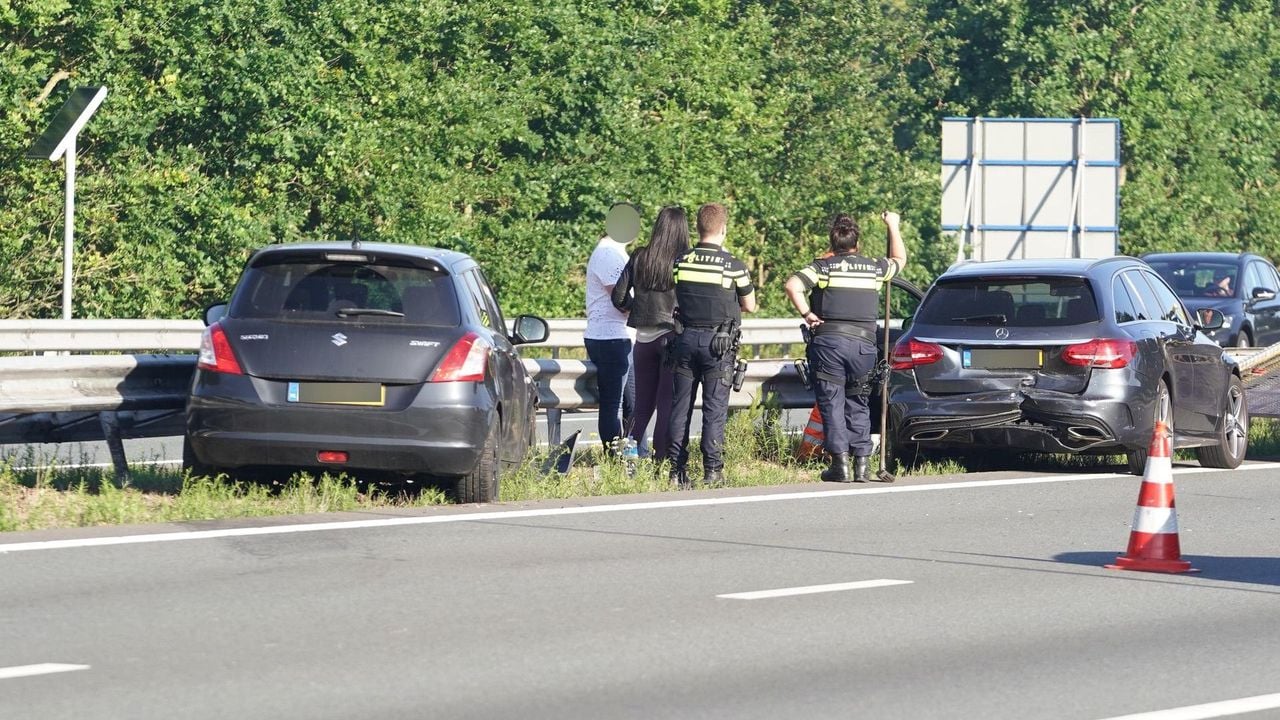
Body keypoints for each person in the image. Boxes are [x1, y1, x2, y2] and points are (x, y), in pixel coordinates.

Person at [784, 211, 906, 482]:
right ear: (857, 244)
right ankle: (862, 463)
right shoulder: (874, 268)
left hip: (829, 344)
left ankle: (841, 465)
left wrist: (808, 314)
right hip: (863, 346)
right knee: (858, 400)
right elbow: (900, 261)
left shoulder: (823, 267)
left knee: (832, 402)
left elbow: (792, 285)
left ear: (832, 244)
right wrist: (893, 225)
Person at [666, 203, 757, 487]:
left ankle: (676, 471)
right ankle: (712, 471)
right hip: (718, 346)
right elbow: (750, 305)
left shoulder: (681, 262)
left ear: (698, 228)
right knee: (714, 409)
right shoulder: (733, 266)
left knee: (680, 407)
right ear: (723, 229)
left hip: (684, 340)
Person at [611, 206, 690, 461]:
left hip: (642, 340)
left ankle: (627, 455)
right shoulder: (684, 259)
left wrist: (640, 310)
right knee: (666, 403)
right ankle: (660, 461)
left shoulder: (639, 256)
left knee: (642, 405)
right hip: (672, 337)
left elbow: (619, 297)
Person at [585, 202, 640, 449]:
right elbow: (619, 298)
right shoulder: (608, 253)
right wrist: (647, 310)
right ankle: (614, 458)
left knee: (632, 402)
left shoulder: (617, 253)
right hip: (610, 338)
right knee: (613, 403)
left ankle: (636, 453)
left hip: (620, 336)